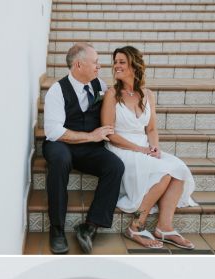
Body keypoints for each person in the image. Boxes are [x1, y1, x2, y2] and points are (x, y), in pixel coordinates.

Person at [102, 46, 197, 251]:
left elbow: (151, 128)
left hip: (144, 146)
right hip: (121, 147)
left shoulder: (148, 94)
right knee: (163, 173)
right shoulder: (111, 95)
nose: (116, 66)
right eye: (115, 62)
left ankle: (164, 227)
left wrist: (154, 147)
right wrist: (138, 149)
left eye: (122, 62)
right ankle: (136, 226)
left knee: (178, 169)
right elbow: (109, 133)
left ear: (134, 66)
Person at [42, 43, 124, 254]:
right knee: (60, 160)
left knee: (115, 165)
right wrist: (90, 135)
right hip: (61, 144)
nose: (99, 66)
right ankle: (57, 229)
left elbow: (120, 95)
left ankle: (90, 227)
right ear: (79, 64)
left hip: (88, 148)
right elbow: (53, 131)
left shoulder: (99, 85)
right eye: (95, 62)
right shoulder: (57, 91)